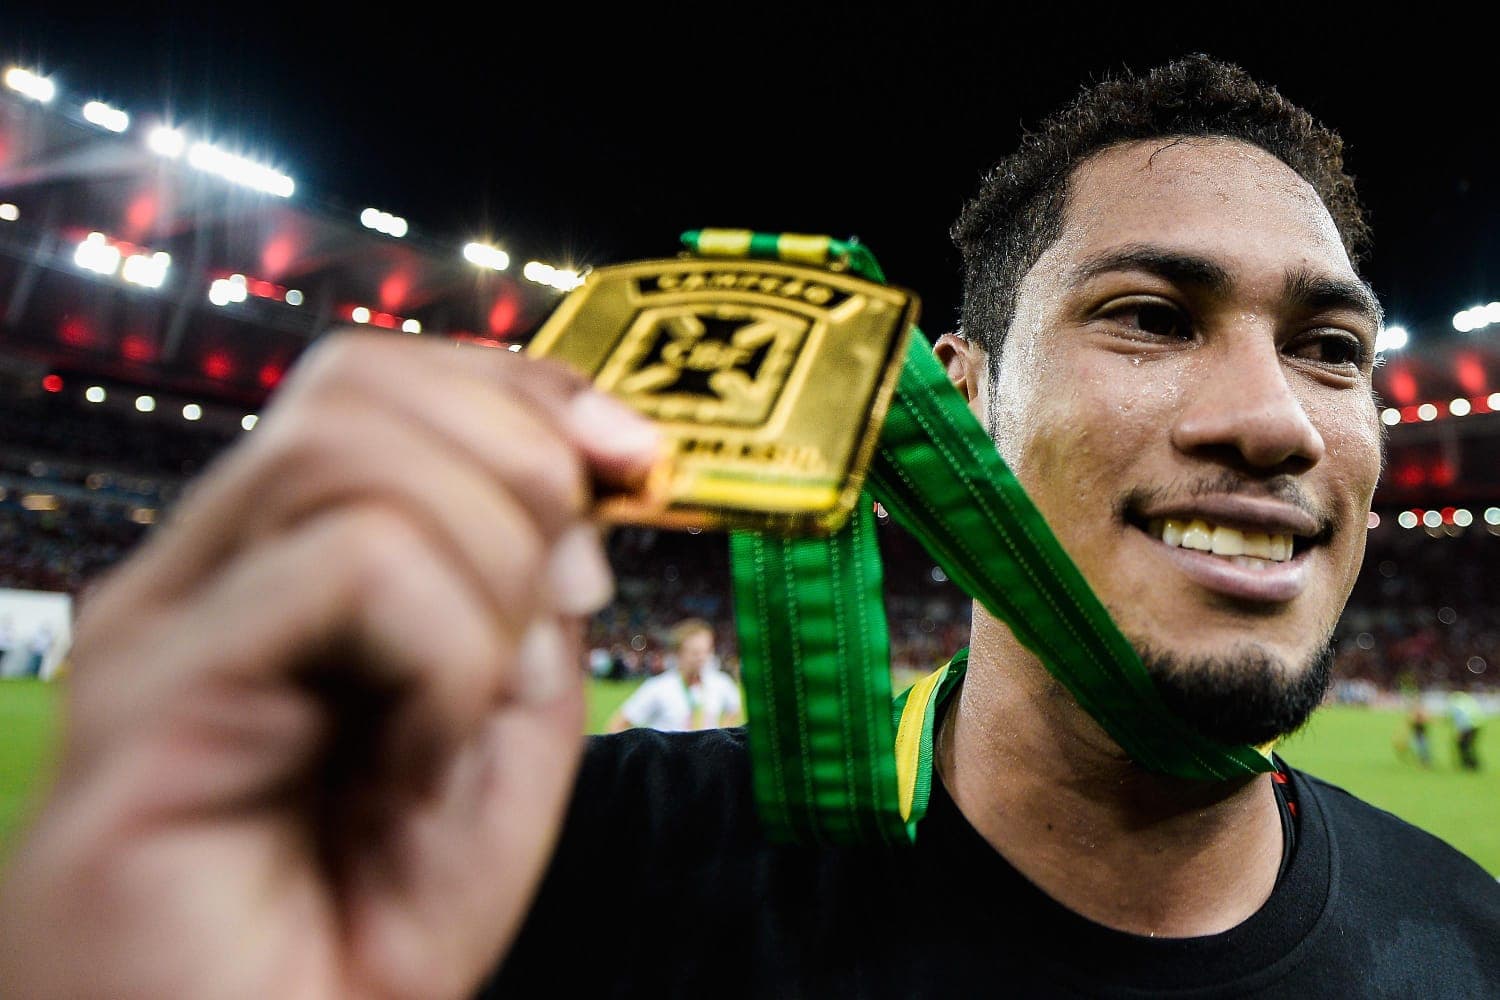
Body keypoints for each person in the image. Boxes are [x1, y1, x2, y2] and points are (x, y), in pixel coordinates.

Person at [1, 54, 1497, 999]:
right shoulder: (536, 879)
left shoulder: (1472, 942)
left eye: (1334, 349)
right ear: (957, 398)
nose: (1280, 418)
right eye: (1154, 317)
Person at [607, 618, 743, 732]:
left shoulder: (720, 683)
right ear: (678, 653)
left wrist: (723, 732)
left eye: (707, 651)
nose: (702, 658)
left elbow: (734, 708)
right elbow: (618, 723)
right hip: (671, 763)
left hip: (707, 762)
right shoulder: (659, 687)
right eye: (695, 653)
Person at [1449, 688, 1483, 771]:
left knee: (1463, 746)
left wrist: (1460, 732)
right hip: (1476, 726)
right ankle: (1474, 764)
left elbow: (1462, 719)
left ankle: (1468, 764)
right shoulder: (1467, 701)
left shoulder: (1457, 705)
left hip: (1467, 727)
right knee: (1469, 746)